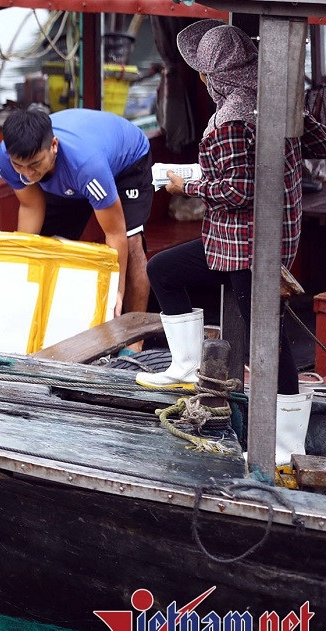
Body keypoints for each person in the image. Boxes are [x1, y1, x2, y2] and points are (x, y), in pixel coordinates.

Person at [136, 21, 326, 465]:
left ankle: (281, 450)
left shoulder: (229, 119)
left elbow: (238, 193)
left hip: (243, 246)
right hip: (263, 237)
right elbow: (315, 141)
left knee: (270, 340)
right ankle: (186, 368)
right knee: (164, 269)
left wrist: (189, 186)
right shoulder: (277, 99)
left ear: (210, 75)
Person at [0, 107, 153, 319]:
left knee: (131, 243)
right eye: (18, 166)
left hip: (126, 162)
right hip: (72, 176)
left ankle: (135, 339)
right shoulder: (5, 160)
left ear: (54, 146)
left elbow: (115, 234)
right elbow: (31, 206)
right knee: (45, 245)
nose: (28, 174)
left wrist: (116, 290)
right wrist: (23, 261)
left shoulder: (87, 167)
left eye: (35, 164)